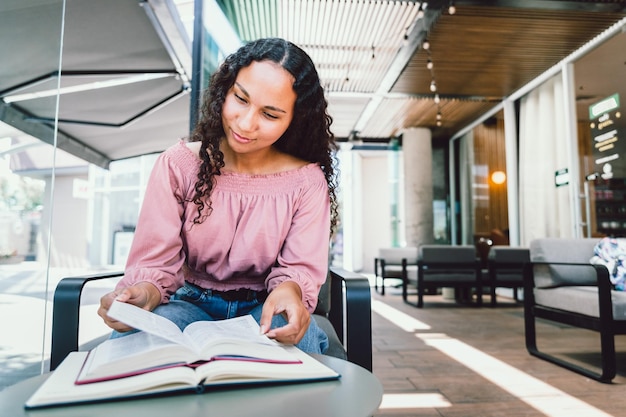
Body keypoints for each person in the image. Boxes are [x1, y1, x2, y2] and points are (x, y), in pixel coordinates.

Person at [97, 37, 339, 354]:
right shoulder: (178, 164)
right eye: (240, 99)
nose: (246, 123)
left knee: (299, 342)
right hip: (187, 303)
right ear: (225, 90)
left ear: (294, 120)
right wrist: (144, 293)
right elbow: (157, 263)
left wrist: (290, 290)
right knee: (130, 344)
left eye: (270, 114)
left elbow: (299, 269)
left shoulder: (306, 182)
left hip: (262, 308)